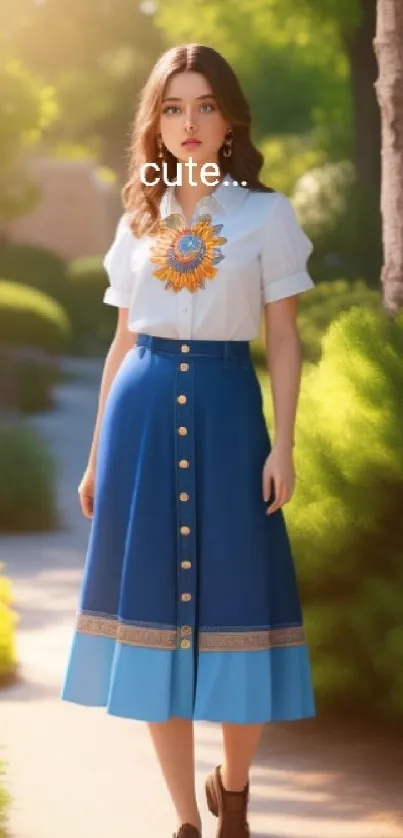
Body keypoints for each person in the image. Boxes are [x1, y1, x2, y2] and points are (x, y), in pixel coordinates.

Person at [61, 42, 316, 838]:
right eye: (173, 107)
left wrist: (283, 444)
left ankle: (232, 789)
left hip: (229, 417)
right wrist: (99, 452)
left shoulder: (265, 217)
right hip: (139, 416)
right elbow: (119, 341)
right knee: (147, 622)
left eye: (204, 105)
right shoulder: (139, 216)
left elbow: (282, 337)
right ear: (156, 123)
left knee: (241, 608)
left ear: (231, 116)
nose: (189, 122)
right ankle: (185, 820)